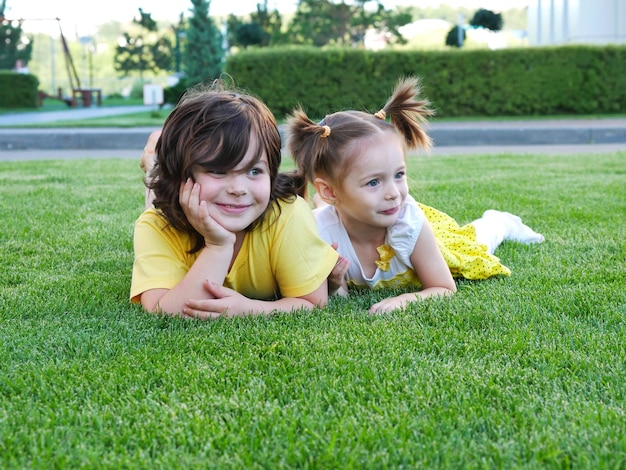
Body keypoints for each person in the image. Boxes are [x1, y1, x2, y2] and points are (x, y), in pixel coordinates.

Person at [286, 77, 545, 313]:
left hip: (432, 241)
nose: (393, 193)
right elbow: (339, 297)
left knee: (475, 243)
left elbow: (443, 288)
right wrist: (333, 284)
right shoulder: (321, 233)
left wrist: (404, 300)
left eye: (399, 175)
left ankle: (501, 221)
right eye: (374, 182)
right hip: (333, 209)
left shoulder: (409, 224)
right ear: (330, 191)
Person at [131, 80, 339, 319]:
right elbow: (165, 312)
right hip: (173, 198)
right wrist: (218, 246)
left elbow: (312, 302)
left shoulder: (288, 215)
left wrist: (251, 309)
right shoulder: (156, 225)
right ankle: (154, 164)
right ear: (181, 173)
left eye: (254, 171)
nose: (239, 189)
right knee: (158, 194)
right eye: (218, 171)